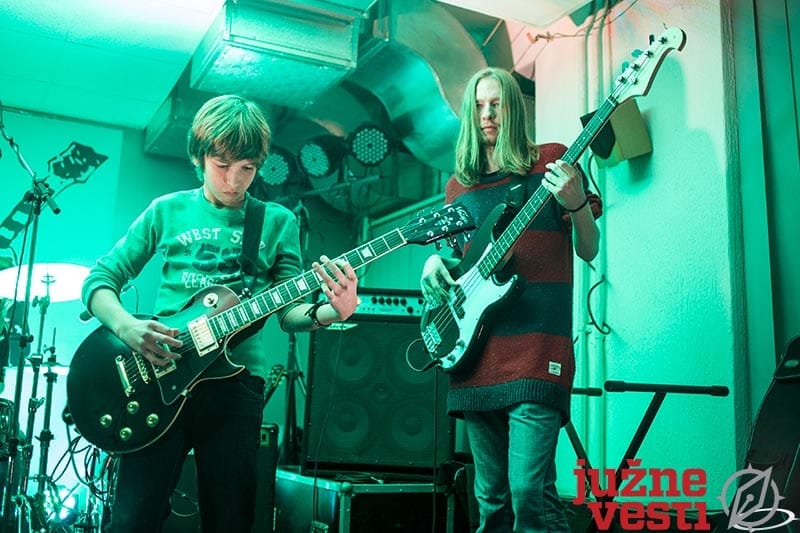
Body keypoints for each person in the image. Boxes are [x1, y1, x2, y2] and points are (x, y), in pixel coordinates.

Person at [81, 94, 359, 532]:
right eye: (222, 165)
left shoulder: (277, 221)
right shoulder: (167, 210)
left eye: (247, 168)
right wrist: (127, 327)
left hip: (235, 385)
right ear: (199, 157)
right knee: (134, 517)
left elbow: (289, 312)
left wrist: (330, 312)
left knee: (231, 518)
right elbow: (100, 279)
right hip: (160, 374)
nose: (234, 181)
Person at [420, 67, 602, 532]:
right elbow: (462, 265)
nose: (487, 114)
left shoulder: (553, 160)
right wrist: (433, 264)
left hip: (539, 351)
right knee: (492, 500)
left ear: (513, 108)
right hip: (476, 355)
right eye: (479, 106)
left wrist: (577, 203)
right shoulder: (458, 187)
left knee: (528, 493)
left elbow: (589, 248)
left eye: (496, 104)